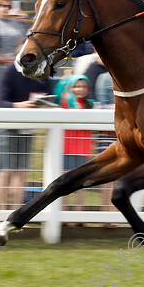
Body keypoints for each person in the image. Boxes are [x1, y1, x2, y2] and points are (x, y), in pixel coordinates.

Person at [0, 58, 50, 210]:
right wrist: (19, 106)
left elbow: (49, 94)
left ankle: (15, 214)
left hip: (28, 128)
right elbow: (0, 102)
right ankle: (0, 213)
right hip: (8, 127)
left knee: (21, 172)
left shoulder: (39, 73)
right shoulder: (8, 72)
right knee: (5, 171)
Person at [59, 75, 96, 210]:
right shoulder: (66, 101)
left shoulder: (90, 104)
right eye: (76, 86)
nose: (80, 89)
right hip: (67, 147)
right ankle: (62, 213)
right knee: (65, 181)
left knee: (81, 184)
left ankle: (78, 213)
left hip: (83, 148)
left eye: (83, 86)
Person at [0, 0, 27, 78]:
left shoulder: (17, 24)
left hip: (14, 65)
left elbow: (24, 42)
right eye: (2, 5)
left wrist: (17, 56)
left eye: (8, 6)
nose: (5, 8)